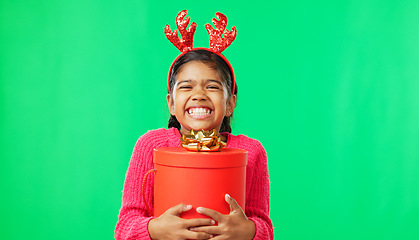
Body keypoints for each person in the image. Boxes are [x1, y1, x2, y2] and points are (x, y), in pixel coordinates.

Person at [115, 11, 273, 240]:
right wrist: (154, 230)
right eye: (187, 87)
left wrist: (248, 231)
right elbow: (125, 227)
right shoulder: (150, 145)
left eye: (212, 87)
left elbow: (264, 227)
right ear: (171, 103)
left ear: (230, 104)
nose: (198, 95)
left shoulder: (252, 151)